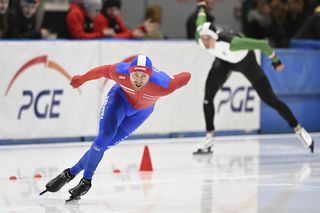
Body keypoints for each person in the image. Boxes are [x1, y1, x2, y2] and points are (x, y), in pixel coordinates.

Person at [40, 54, 191, 201]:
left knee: (104, 145)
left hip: (140, 114)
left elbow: (186, 76)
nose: (138, 80)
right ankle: (86, 181)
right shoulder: (120, 72)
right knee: (102, 140)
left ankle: (69, 174)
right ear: (129, 72)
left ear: (150, 76)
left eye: (143, 76)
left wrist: (174, 77)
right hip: (119, 101)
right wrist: (81, 79)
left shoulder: (164, 85)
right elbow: (99, 71)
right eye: (135, 75)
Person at [193, 0, 315, 154]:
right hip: (224, 61)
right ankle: (209, 137)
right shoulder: (199, 37)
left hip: (244, 60)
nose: (205, 42)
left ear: (214, 37)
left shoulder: (234, 43)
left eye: (207, 39)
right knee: (207, 97)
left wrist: (275, 61)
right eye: (202, 38)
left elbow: (262, 44)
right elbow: (201, 17)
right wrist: (202, 5)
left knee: (271, 100)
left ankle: (299, 130)